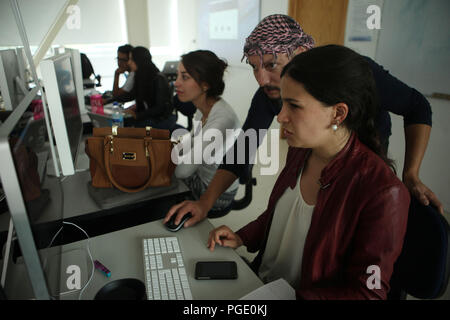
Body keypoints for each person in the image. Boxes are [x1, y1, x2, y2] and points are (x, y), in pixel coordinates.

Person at [165, 14, 443, 229]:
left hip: (363, 181)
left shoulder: (354, 74)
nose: (261, 79)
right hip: (313, 181)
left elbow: (417, 106)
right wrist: (205, 202)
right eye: (254, 68)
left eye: (271, 64)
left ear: (299, 53)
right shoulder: (269, 92)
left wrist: (411, 174)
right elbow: (243, 150)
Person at [208, 45, 410, 299]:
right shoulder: (301, 151)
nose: (280, 117)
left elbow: (367, 293)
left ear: (338, 113)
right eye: (282, 103)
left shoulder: (383, 192)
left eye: (294, 105)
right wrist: (241, 236)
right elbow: (280, 215)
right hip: (260, 285)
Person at [167, 50, 241, 212]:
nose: (176, 83)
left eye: (184, 77)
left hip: (217, 194)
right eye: (178, 76)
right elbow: (190, 142)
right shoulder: (204, 109)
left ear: (205, 84)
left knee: (159, 187)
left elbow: (182, 171)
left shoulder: (222, 120)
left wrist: (167, 160)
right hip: (200, 175)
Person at [125, 46, 176, 130]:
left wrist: (137, 115)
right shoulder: (140, 76)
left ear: (139, 60)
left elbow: (159, 108)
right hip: (152, 116)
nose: (129, 63)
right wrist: (108, 101)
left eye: (131, 59)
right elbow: (131, 95)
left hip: (162, 119)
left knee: (130, 128)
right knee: (126, 123)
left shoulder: (158, 78)